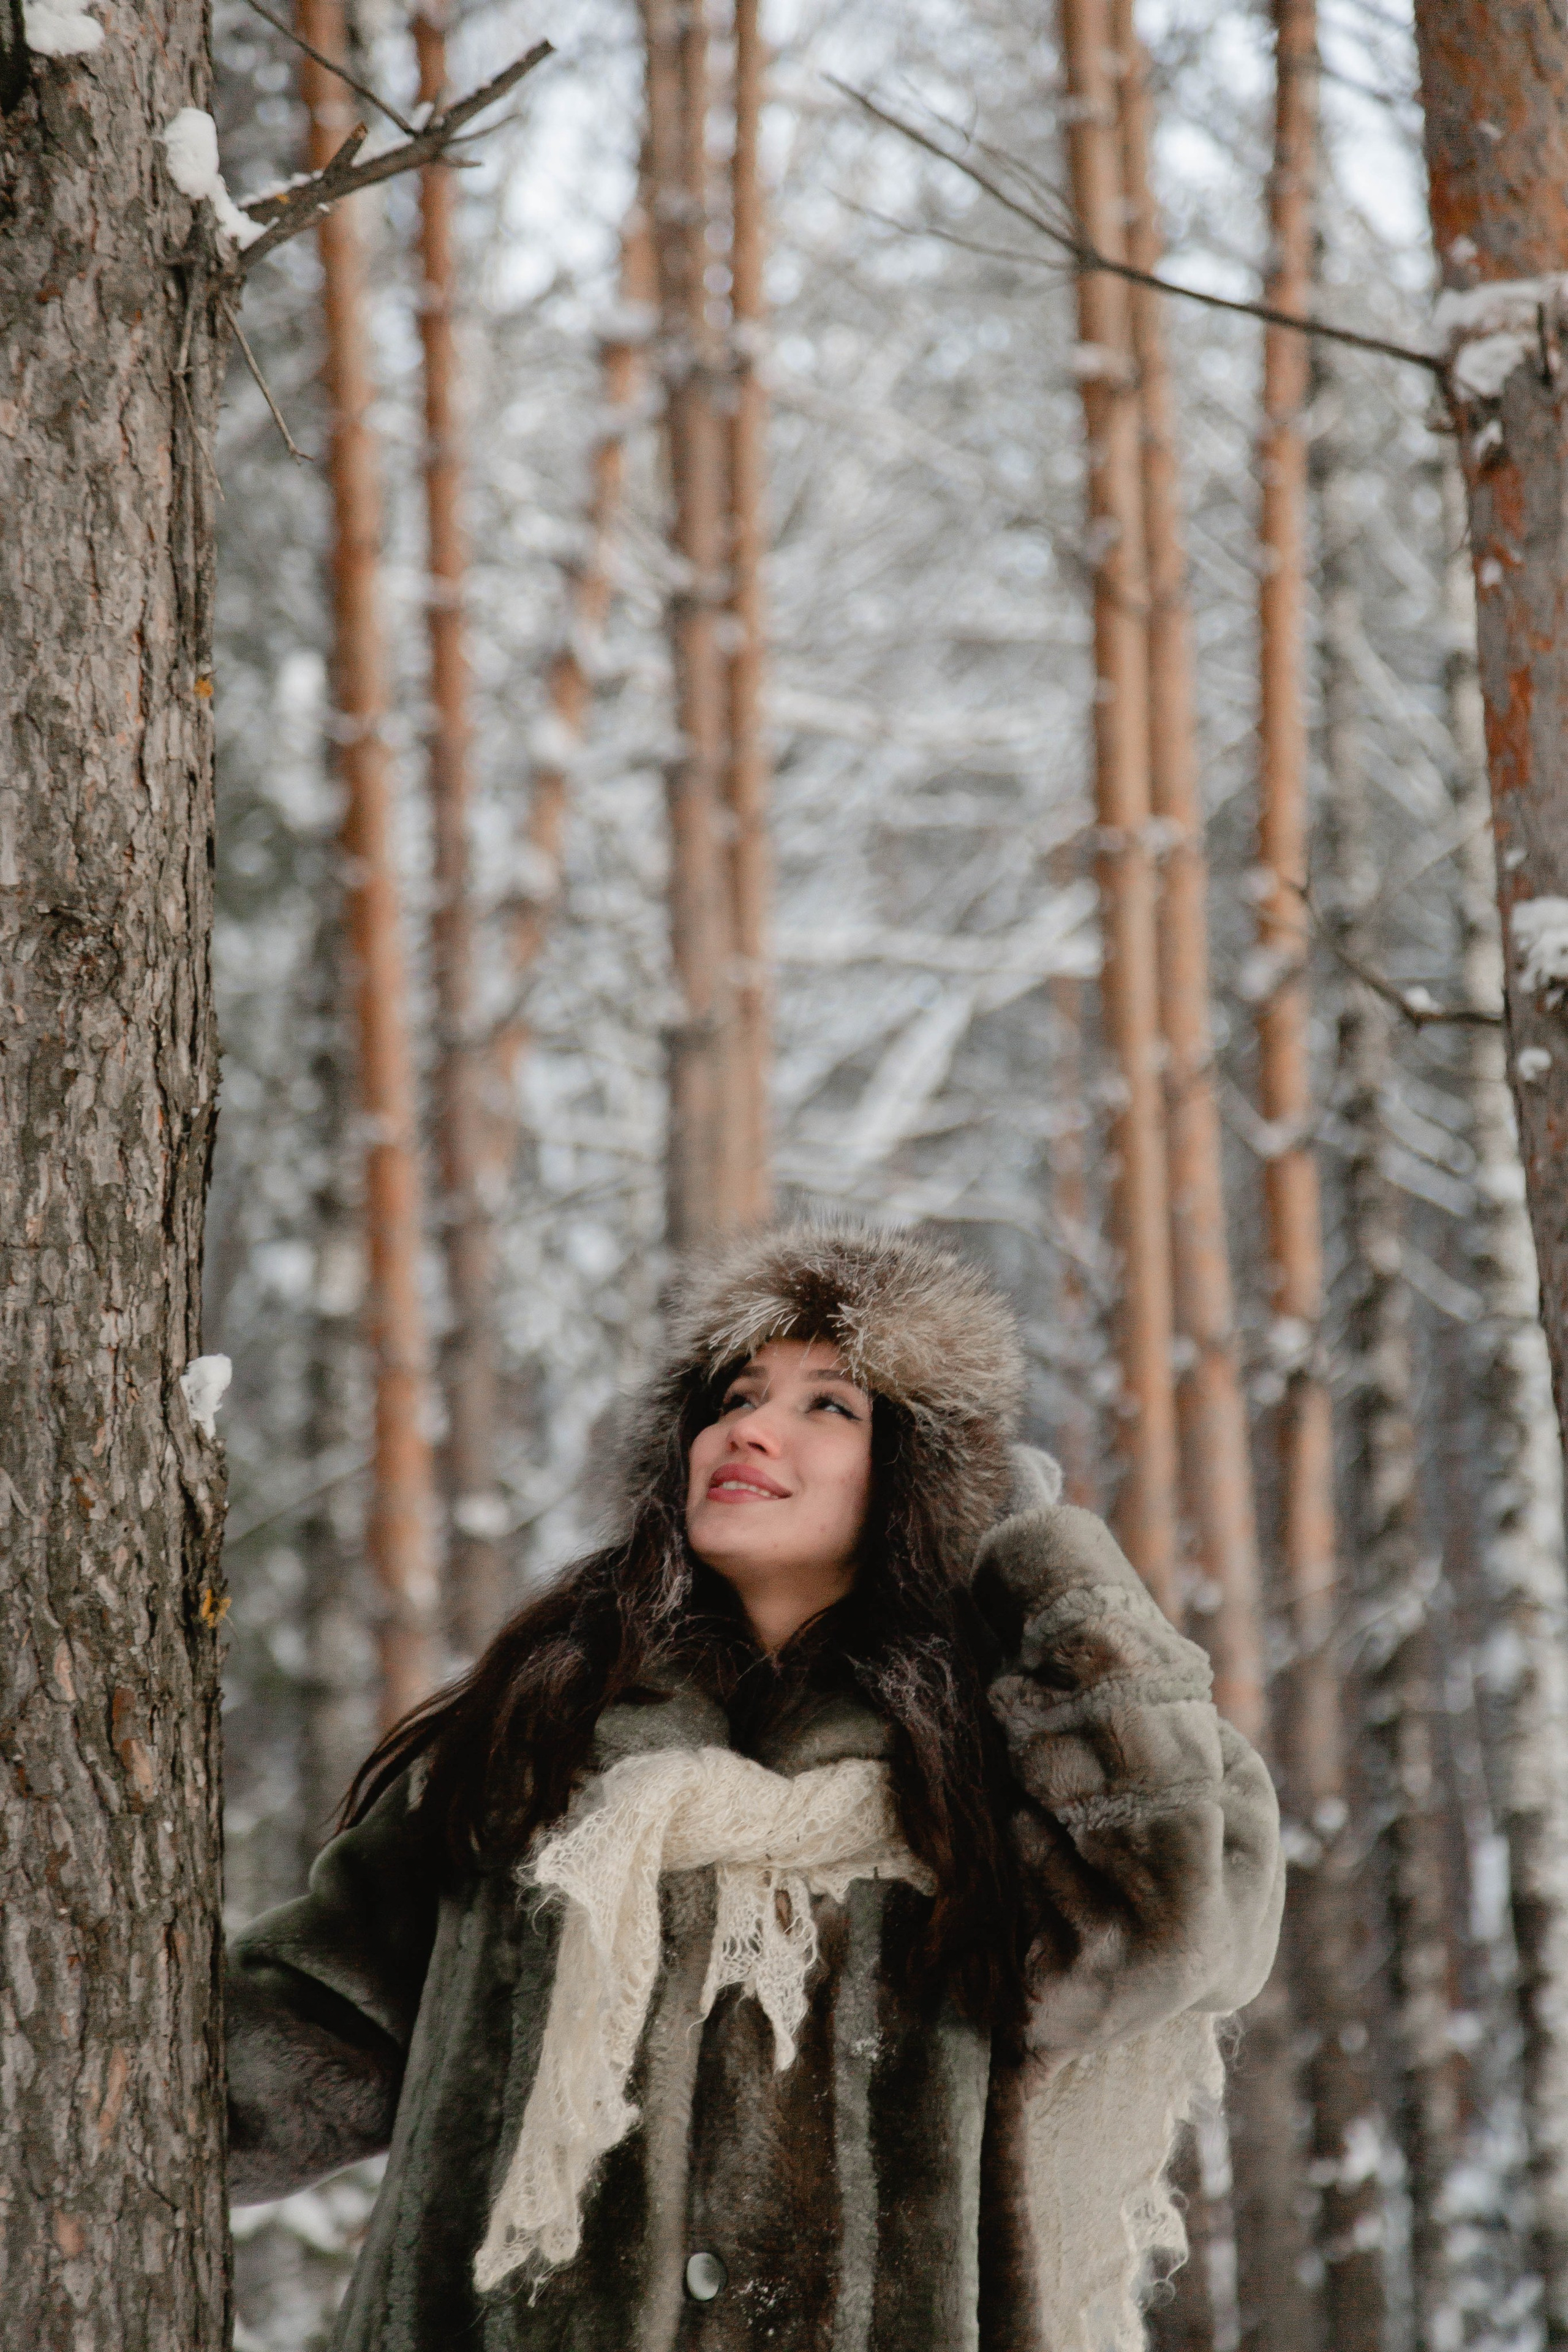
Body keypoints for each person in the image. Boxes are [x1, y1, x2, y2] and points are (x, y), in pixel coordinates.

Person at [228, 1222, 1283, 2352]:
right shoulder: (534, 1739)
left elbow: (1181, 1920)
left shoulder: (980, 1773)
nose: (751, 1427)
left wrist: (1043, 1562)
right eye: (737, 1394)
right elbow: (308, 2037)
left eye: (829, 1405)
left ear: (916, 1473)